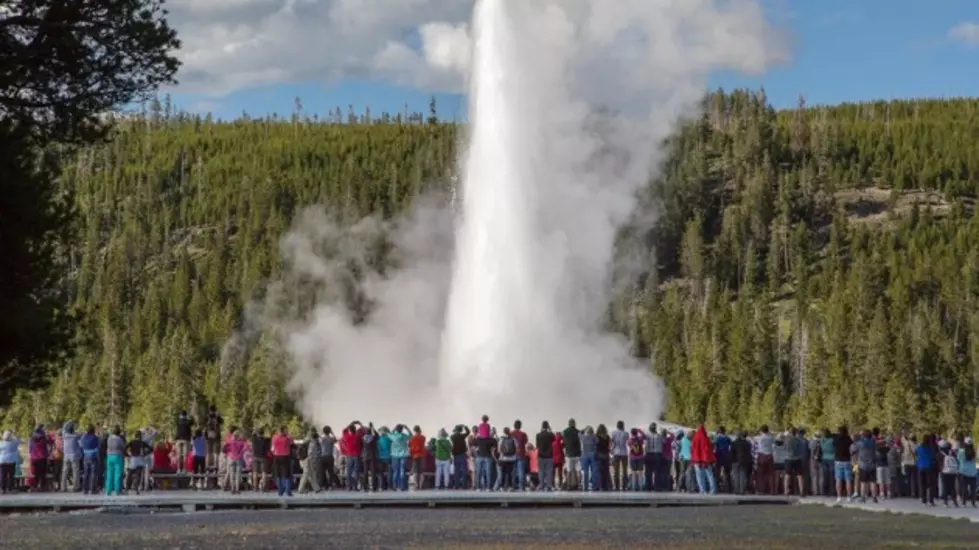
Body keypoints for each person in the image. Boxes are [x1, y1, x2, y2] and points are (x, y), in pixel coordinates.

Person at [690, 424, 716, 494]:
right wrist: (709, 460)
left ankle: (702, 490)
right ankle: (713, 489)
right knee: (710, 475)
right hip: (706, 461)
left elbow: (694, 450)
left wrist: (694, 460)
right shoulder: (706, 438)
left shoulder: (695, 438)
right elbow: (708, 450)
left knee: (699, 476)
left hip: (697, 461)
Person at [271, 426, 294, 497]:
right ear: (284, 431)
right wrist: (288, 434)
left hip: (277, 456)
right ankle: (288, 491)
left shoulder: (274, 437)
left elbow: (272, 448)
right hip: (285, 456)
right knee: (287, 474)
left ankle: (280, 491)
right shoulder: (287, 438)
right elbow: (292, 441)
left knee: (278, 474)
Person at [297, 429, 321, 494]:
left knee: (312, 474)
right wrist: (313, 461)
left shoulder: (307, 440)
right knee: (306, 474)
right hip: (308, 460)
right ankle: (300, 489)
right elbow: (310, 453)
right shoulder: (312, 443)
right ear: (316, 438)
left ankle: (317, 488)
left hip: (306, 459)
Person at [61, 421, 82, 492]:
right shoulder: (76, 436)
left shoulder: (64, 435)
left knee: (65, 471)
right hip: (74, 455)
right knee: (75, 471)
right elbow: (81, 441)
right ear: (73, 430)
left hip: (66, 456)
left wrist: (70, 421)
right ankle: (76, 487)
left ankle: (63, 487)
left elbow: (64, 427)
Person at [389, 425, 410, 491]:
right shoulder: (404, 436)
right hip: (403, 455)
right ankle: (402, 487)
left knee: (395, 471)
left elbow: (389, 434)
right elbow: (411, 435)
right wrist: (407, 428)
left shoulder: (393, 436)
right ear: (402, 430)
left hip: (394, 455)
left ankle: (394, 486)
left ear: (396, 429)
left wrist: (394, 428)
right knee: (402, 471)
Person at [536, 421, 556, 491]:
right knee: (549, 471)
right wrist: (550, 430)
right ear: (547, 426)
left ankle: (541, 485)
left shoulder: (538, 435)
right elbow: (554, 439)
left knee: (541, 471)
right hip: (549, 455)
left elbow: (537, 446)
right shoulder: (550, 435)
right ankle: (549, 485)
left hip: (540, 455)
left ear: (542, 426)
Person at [105, 427, 125, 496]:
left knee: (109, 473)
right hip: (117, 456)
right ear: (119, 432)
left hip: (109, 456)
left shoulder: (109, 438)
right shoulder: (119, 439)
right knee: (117, 474)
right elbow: (123, 447)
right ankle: (117, 491)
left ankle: (108, 491)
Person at [80, 426, 100, 494]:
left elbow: (81, 445)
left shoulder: (83, 437)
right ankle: (92, 489)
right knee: (93, 473)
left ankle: (84, 489)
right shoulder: (95, 437)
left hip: (85, 456)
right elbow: (97, 447)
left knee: (86, 473)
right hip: (93, 456)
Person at [939, 439, 959, 507]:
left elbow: (939, 462)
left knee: (945, 486)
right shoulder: (952, 452)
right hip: (953, 471)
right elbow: (957, 460)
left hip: (945, 471)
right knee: (952, 486)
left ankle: (945, 502)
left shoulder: (941, 453)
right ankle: (955, 502)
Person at [958, 436, 977, 507]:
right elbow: (976, 461)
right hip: (973, 472)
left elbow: (958, 459)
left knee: (964, 488)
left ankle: (964, 503)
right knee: (973, 489)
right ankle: (973, 503)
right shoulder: (974, 452)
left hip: (963, 471)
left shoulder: (961, 451)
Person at [610, 421, 629, 491]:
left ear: (617, 425)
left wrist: (611, 450)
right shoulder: (626, 433)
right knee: (624, 471)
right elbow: (627, 442)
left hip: (616, 453)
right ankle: (624, 486)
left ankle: (617, 487)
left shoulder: (613, 433)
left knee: (616, 471)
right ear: (623, 425)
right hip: (624, 453)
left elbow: (612, 443)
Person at [449, 425, 469, 490]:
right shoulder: (462, 436)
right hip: (463, 455)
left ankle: (456, 486)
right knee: (464, 471)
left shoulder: (452, 436)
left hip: (456, 455)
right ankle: (464, 486)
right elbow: (468, 432)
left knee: (456, 471)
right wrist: (465, 427)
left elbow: (452, 445)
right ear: (460, 430)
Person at [204, 406, 224, 470]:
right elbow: (222, 422)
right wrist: (218, 415)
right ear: (215, 410)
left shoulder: (207, 416)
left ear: (209, 410)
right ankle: (216, 466)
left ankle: (207, 466)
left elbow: (204, 425)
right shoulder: (217, 417)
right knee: (216, 453)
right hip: (217, 437)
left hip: (209, 437)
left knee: (208, 453)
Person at [511, 421, 529, 491]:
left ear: (514, 426)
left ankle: (513, 487)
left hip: (512, 455)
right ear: (520, 426)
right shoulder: (523, 434)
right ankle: (521, 487)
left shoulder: (511, 434)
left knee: (513, 472)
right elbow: (526, 441)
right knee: (521, 471)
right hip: (521, 454)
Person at [409, 426, 427, 491]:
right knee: (421, 472)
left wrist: (411, 454)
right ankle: (420, 485)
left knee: (415, 472)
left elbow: (411, 448)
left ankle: (416, 485)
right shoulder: (423, 437)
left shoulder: (412, 438)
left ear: (414, 430)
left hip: (415, 455)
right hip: (422, 455)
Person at [580, 426, 597, 492]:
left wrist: (584, 428)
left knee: (585, 471)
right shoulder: (594, 437)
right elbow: (597, 442)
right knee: (594, 471)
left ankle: (585, 487)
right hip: (592, 454)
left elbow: (579, 433)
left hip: (584, 454)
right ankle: (594, 486)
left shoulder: (583, 437)